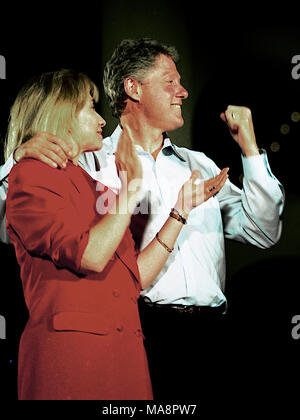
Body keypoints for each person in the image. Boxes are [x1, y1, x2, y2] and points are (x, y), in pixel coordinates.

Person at [0, 39, 284, 399]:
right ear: (133, 88)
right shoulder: (89, 159)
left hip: (211, 336)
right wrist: (18, 158)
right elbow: (14, 216)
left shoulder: (200, 166)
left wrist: (250, 148)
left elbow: (263, 232)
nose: (182, 91)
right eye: (169, 81)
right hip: (137, 328)